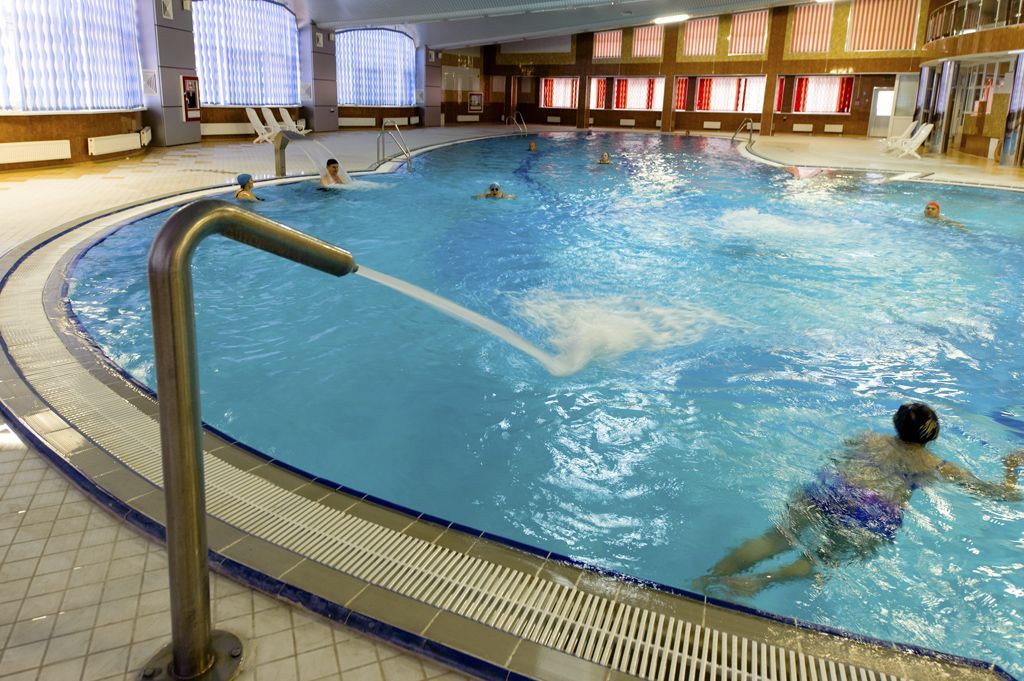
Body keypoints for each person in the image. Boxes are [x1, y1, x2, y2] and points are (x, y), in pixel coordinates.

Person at [696, 403, 1023, 597]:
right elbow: (1002, 494)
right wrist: (1011, 468)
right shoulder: (934, 466)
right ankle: (757, 583)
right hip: (868, 513)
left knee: (776, 538)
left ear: (896, 423)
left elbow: (834, 460)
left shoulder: (865, 438)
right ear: (933, 436)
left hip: (829, 491)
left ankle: (707, 579)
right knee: (822, 559)